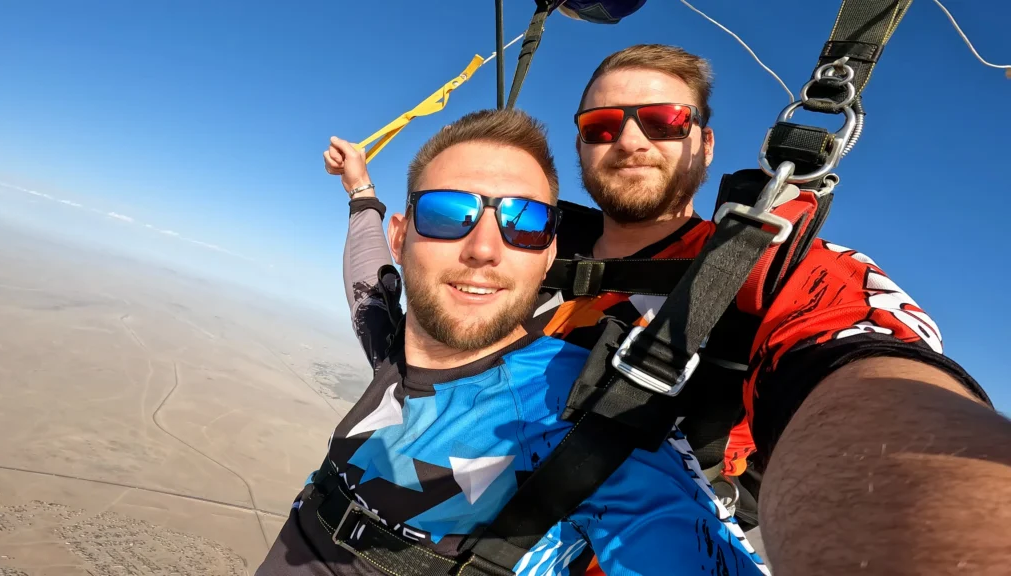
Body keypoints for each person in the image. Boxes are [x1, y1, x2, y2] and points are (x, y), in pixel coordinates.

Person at [331, 44, 1009, 575]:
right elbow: (388, 315)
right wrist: (363, 193)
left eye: (662, 121)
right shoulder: (518, 241)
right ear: (581, 147)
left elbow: (861, 371)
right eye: (603, 125)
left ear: (705, 144)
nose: (630, 140)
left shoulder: (767, 271)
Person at [257, 108, 769, 576]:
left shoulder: (585, 414)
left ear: (548, 256)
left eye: (523, 224)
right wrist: (361, 190)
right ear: (402, 236)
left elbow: (676, 534)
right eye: (446, 213)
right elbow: (368, 283)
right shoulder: (398, 351)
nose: (484, 248)